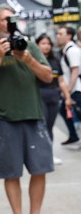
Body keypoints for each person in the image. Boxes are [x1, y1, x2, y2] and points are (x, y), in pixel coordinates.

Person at [0, 4, 54, 214]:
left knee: (40, 170)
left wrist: (29, 59)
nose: (8, 23)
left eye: (12, 19)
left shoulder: (29, 46)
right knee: (11, 173)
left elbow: (48, 77)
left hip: (33, 116)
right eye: (4, 19)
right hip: (5, 119)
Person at [36, 33, 72, 164]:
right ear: (37, 45)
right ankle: (42, 155)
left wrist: (67, 97)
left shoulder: (55, 60)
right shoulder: (33, 61)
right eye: (43, 44)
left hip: (54, 95)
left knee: (50, 126)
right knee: (43, 126)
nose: (46, 46)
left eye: (48, 44)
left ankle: (49, 153)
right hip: (39, 95)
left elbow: (61, 81)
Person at [56, 25, 81, 147]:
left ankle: (73, 136)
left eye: (61, 34)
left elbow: (75, 72)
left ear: (69, 36)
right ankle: (73, 136)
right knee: (63, 110)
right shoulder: (67, 50)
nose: (58, 36)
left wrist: (68, 92)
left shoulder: (72, 50)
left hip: (76, 90)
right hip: (72, 90)